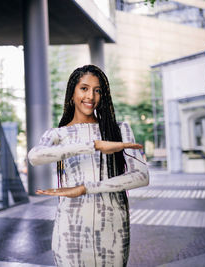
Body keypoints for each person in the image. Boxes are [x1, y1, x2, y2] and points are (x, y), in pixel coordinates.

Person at [28, 65, 149, 266]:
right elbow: (35, 156)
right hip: (70, 228)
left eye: (97, 90)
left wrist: (86, 188)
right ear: (72, 94)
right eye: (84, 88)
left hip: (113, 226)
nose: (90, 96)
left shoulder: (119, 130)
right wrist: (93, 145)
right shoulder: (58, 134)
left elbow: (142, 176)